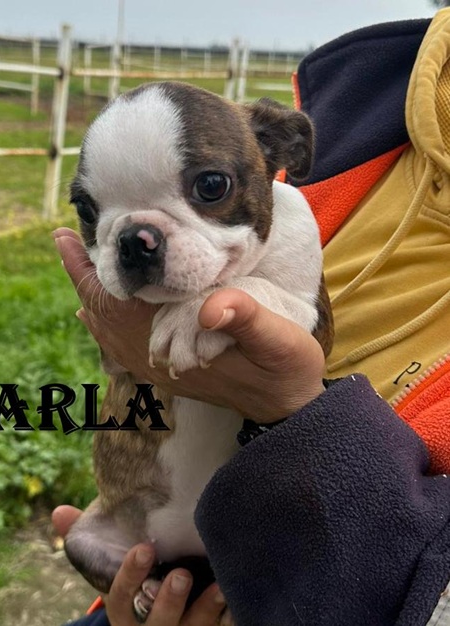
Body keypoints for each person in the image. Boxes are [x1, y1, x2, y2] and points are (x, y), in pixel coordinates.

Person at [52, 9, 450, 626]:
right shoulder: (374, 95)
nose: (137, 242)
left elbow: (306, 322)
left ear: (277, 152)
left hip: (295, 563)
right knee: (85, 539)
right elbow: (121, 356)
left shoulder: (288, 228)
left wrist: (260, 329)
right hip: (139, 529)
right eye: (93, 209)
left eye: (207, 188)